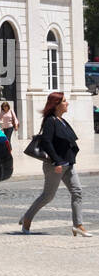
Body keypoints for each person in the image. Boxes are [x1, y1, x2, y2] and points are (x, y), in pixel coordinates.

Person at [19, 92, 90, 236]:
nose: (67, 103)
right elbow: (46, 142)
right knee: (48, 196)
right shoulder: (50, 121)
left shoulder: (61, 120)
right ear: (56, 105)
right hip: (55, 165)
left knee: (77, 192)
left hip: (68, 164)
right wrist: (57, 161)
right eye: (64, 101)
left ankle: (78, 225)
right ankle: (27, 218)